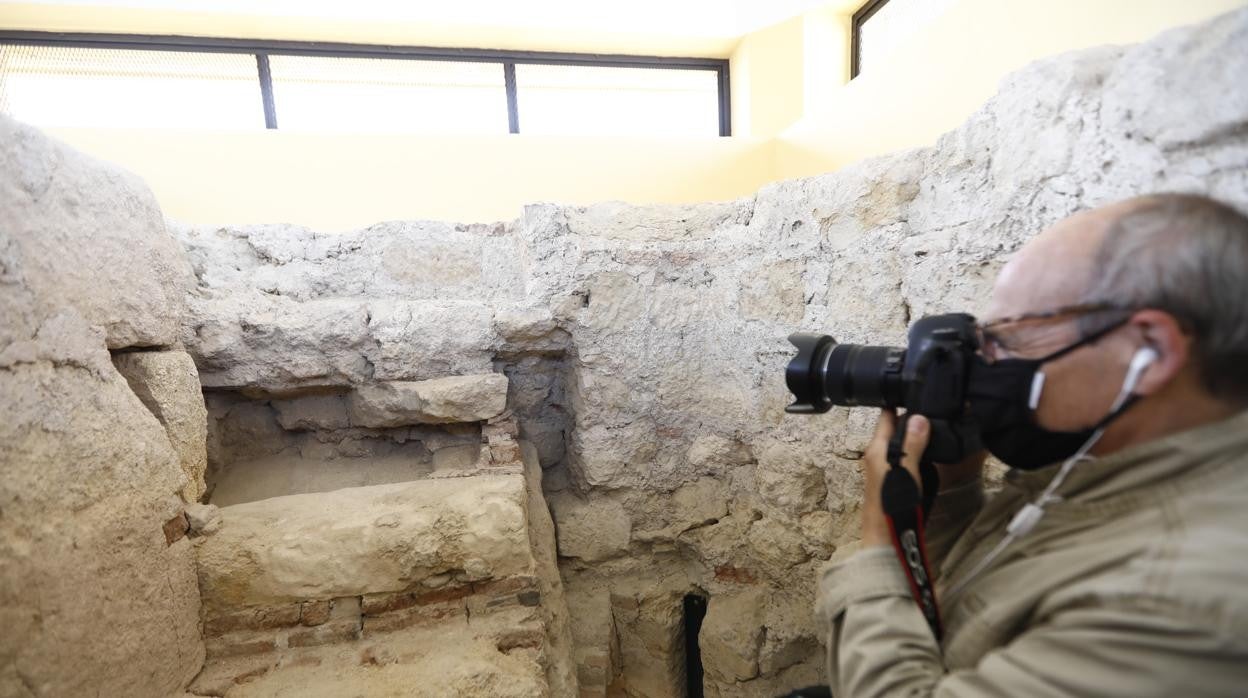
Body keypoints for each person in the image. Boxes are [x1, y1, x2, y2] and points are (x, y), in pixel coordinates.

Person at [815, 193, 1248, 696]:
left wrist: (880, 543)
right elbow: (963, 617)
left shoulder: (1176, 598)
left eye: (1010, 337)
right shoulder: (1096, 474)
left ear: (1148, 350)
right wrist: (951, 495)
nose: (989, 364)